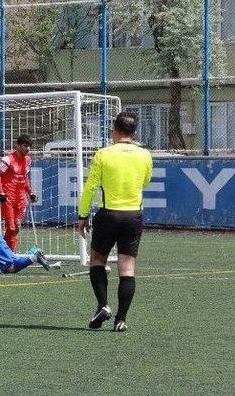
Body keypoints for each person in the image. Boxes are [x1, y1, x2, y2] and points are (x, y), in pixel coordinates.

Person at [77, 111, 153, 332]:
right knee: (127, 268)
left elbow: (91, 187)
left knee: (98, 260)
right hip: (133, 216)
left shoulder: (103, 154)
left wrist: (83, 216)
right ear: (134, 132)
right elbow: (146, 182)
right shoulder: (144, 154)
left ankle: (103, 305)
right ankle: (121, 320)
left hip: (108, 214)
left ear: (114, 130)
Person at [0, 134, 38, 253]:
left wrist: (30, 192)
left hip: (20, 198)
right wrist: (1, 193)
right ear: (17, 146)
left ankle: (8, 252)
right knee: (11, 227)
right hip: (8, 197)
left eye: (29, 146)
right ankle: (7, 252)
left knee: (17, 227)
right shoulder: (7, 160)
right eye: (25, 146)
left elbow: (24, 178)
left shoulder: (28, 160)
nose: (27, 149)